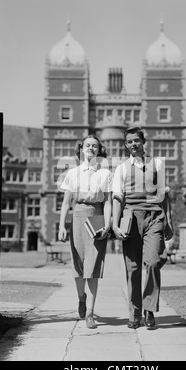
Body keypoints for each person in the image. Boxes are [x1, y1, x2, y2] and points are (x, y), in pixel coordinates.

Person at [112, 126, 173, 329]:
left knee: (153, 262)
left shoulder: (157, 164)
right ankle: (135, 313)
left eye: (136, 140)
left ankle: (149, 309)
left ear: (143, 141)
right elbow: (118, 199)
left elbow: (164, 196)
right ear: (126, 145)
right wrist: (114, 224)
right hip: (131, 219)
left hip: (154, 217)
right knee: (133, 268)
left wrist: (169, 222)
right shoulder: (121, 168)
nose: (133, 144)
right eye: (129, 142)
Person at [58, 135, 112, 329]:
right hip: (78, 215)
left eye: (95, 146)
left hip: (96, 217)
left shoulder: (105, 174)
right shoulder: (72, 173)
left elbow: (107, 202)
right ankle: (81, 298)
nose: (91, 148)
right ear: (81, 148)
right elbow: (66, 203)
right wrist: (61, 225)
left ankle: (90, 313)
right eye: (88, 145)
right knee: (79, 265)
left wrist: (107, 224)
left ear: (99, 150)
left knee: (94, 267)